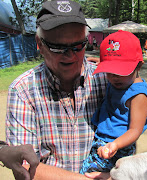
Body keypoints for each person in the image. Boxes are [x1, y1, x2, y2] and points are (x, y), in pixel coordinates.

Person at [5, 1, 109, 179]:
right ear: (39, 44)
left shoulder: (106, 79)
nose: (70, 55)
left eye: (78, 46)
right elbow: (25, 169)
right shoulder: (23, 90)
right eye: (58, 47)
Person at [80, 30, 147, 174]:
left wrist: (115, 145)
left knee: (88, 174)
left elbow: (135, 130)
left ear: (138, 66)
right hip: (103, 141)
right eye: (109, 71)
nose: (114, 78)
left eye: (121, 71)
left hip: (118, 146)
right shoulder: (122, 81)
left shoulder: (138, 95)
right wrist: (103, 62)